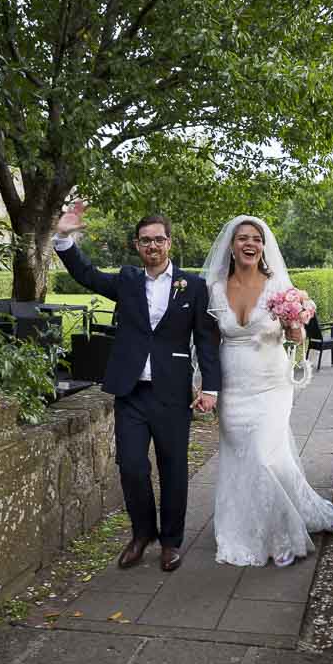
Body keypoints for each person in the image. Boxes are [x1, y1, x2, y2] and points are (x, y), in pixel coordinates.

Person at [53, 202, 221, 573]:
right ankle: (142, 533)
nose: (152, 246)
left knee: (174, 468)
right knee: (131, 466)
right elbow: (86, 275)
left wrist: (210, 387)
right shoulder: (127, 281)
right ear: (137, 245)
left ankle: (171, 541)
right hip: (131, 392)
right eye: (145, 241)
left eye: (158, 239)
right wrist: (64, 237)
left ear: (169, 243)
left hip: (172, 392)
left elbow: (205, 341)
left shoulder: (192, 286)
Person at [202, 216, 333, 567]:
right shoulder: (216, 287)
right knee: (243, 458)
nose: (250, 244)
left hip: (271, 383)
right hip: (233, 385)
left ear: (263, 247)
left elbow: (298, 336)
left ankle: (280, 532)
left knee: (264, 454)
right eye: (242, 238)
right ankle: (243, 527)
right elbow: (207, 341)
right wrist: (205, 384)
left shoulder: (279, 285)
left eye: (256, 239)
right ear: (231, 246)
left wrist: (296, 331)